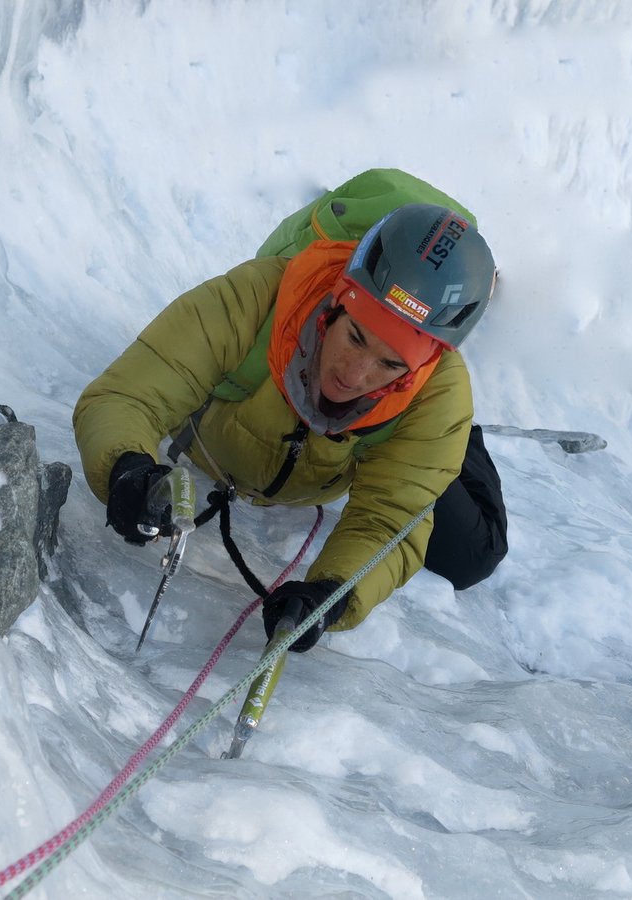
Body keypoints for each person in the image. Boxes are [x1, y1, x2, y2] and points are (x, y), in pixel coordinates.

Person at [73, 203, 508, 652]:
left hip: (401, 421)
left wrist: (331, 595)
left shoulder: (437, 393)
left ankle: (458, 444)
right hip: (251, 421)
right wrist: (125, 466)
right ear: (335, 303)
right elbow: (128, 395)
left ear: (423, 366)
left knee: (472, 554)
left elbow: (390, 522)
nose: (354, 375)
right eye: (355, 336)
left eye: (389, 363)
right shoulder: (257, 297)